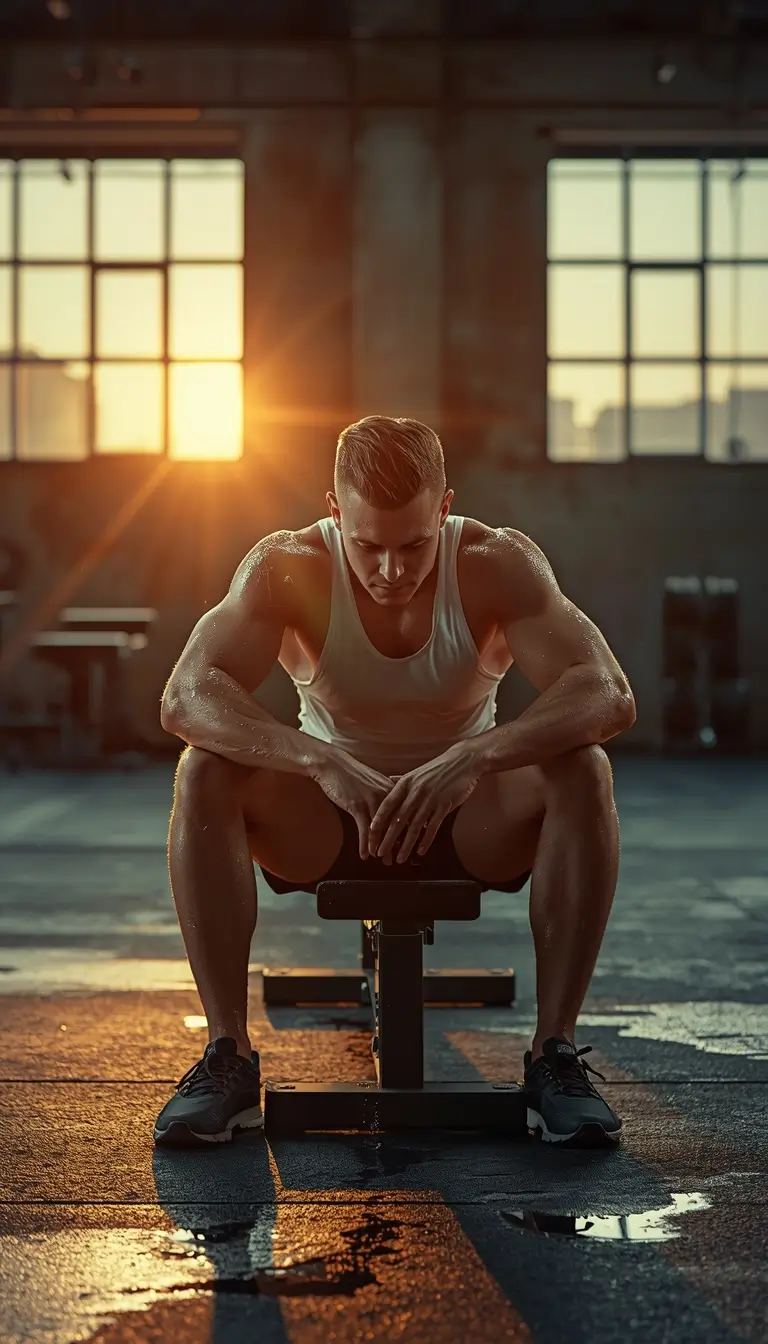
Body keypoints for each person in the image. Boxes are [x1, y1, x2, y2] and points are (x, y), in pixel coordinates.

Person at [154, 415, 636, 1148]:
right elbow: (185, 694)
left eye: (412, 546)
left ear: (443, 510)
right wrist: (316, 758)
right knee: (204, 772)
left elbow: (607, 692)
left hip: (472, 822)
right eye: (367, 545)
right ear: (334, 511)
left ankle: (554, 1055)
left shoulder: (494, 563)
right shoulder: (288, 566)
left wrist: (475, 758)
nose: (389, 570)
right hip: (329, 823)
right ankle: (229, 1055)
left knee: (584, 768)